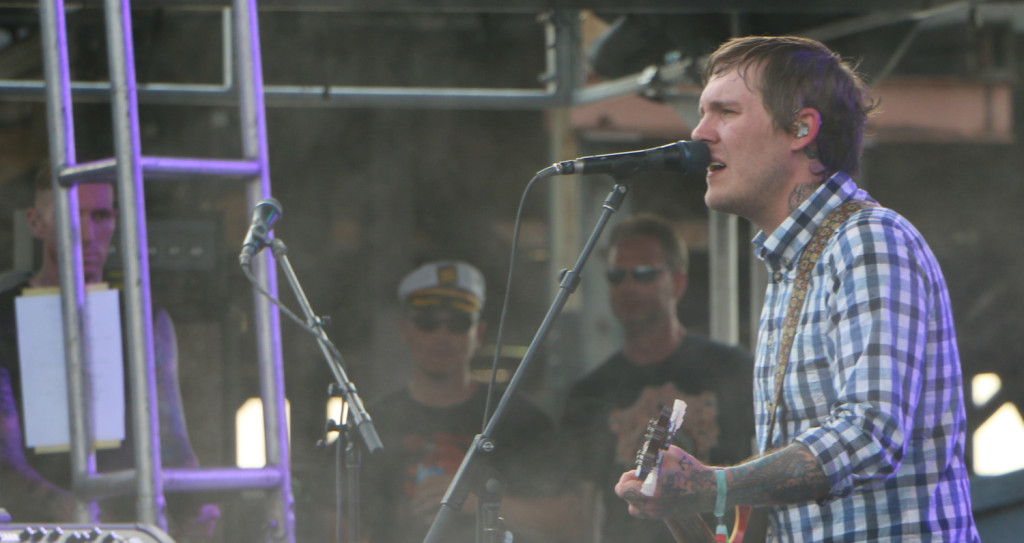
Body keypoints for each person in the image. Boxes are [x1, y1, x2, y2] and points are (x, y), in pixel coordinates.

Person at [613, 35, 980, 542]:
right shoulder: (791, 269)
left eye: (725, 112)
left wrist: (717, 486)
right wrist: (676, 503)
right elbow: (793, 500)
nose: (700, 133)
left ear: (802, 129)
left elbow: (869, 435)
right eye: (702, 113)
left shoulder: (869, 240)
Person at [0, 167, 219, 538]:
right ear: (36, 223)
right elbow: (4, 455)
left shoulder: (143, 317)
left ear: (115, 220)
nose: (86, 234)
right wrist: (62, 505)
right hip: (32, 529)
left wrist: (194, 502)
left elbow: (170, 434)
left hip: (130, 524)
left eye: (99, 216)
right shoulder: (4, 315)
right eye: (69, 214)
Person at [561, 214, 757, 543]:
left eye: (643, 274)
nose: (628, 286)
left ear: (678, 282)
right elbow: (578, 509)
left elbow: (768, 469)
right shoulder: (590, 392)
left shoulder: (733, 369)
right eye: (616, 275)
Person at [362, 260, 582, 543]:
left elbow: (573, 522)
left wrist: (473, 502)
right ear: (405, 329)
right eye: (428, 322)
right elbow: (338, 527)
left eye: (458, 323)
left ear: (478, 333)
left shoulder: (522, 420)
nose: (442, 335)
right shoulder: (371, 425)